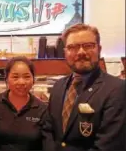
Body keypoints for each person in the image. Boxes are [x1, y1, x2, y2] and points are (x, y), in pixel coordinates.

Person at [46, 23, 126, 151]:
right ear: (65, 52)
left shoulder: (117, 89)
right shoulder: (58, 86)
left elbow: (109, 145)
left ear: (99, 49)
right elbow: (48, 129)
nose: (81, 52)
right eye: (73, 47)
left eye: (88, 46)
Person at [0, 56, 54, 151]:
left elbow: (47, 143)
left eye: (27, 77)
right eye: (15, 77)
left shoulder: (42, 109)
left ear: (33, 80)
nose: (21, 82)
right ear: (6, 79)